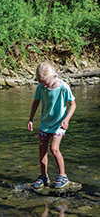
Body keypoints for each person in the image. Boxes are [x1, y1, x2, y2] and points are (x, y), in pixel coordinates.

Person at [27, 61, 76, 189]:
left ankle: (63, 175)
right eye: (41, 83)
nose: (45, 86)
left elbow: (73, 104)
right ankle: (44, 176)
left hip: (59, 124)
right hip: (45, 123)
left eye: (46, 83)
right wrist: (31, 119)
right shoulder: (41, 87)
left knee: (54, 149)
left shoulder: (63, 87)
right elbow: (36, 102)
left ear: (54, 77)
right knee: (42, 149)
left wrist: (67, 119)